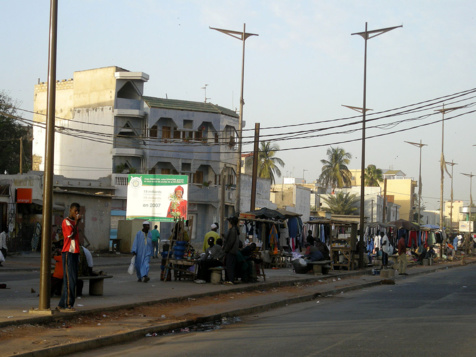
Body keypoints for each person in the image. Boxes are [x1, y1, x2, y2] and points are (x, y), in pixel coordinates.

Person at [57, 202, 82, 312]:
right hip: (68, 252)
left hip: (75, 252)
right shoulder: (66, 221)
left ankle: (62, 304)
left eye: (78, 211)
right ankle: (68, 304)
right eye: (75, 211)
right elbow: (70, 235)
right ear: (70, 210)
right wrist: (76, 223)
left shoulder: (73, 222)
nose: (77, 213)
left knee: (73, 279)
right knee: (69, 280)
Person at [223, 216, 240, 285]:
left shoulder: (233, 230)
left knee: (230, 265)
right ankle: (229, 279)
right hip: (233, 250)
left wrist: (226, 249)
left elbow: (231, 241)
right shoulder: (235, 229)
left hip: (231, 251)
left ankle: (230, 280)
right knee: (229, 265)